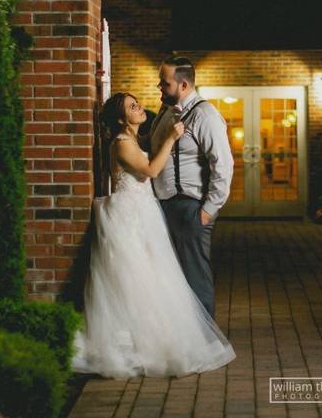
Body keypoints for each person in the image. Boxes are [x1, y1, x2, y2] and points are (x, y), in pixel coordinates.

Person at [71, 92, 236, 379]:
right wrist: (171, 138)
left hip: (141, 212)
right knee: (136, 278)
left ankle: (145, 340)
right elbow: (150, 169)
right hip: (130, 215)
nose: (138, 107)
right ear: (122, 119)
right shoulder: (122, 143)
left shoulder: (133, 139)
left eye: (137, 103)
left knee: (150, 276)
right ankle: (135, 345)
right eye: (131, 107)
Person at [145, 56, 234, 318]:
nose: (159, 87)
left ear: (183, 85)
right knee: (172, 276)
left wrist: (208, 210)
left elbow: (223, 165)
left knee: (195, 276)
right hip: (163, 204)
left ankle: (206, 341)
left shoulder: (205, 115)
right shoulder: (165, 111)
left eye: (164, 83)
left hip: (190, 206)